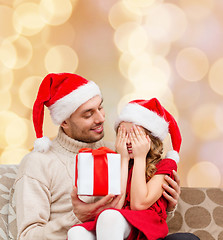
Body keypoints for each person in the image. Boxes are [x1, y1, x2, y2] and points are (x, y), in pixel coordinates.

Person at [14, 73, 197, 240]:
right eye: (88, 114)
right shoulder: (38, 163)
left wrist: (166, 203)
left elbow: (137, 209)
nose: (101, 118)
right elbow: (27, 236)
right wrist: (76, 217)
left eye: (100, 108)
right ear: (64, 122)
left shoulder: (117, 150)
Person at [67, 98, 185, 240]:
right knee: (76, 232)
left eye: (135, 135)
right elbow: (116, 206)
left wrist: (140, 157)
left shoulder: (165, 165)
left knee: (109, 217)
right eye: (123, 135)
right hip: (117, 224)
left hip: (144, 227)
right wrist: (123, 159)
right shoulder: (116, 164)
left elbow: (138, 204)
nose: (128, 141)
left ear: (150, 139)